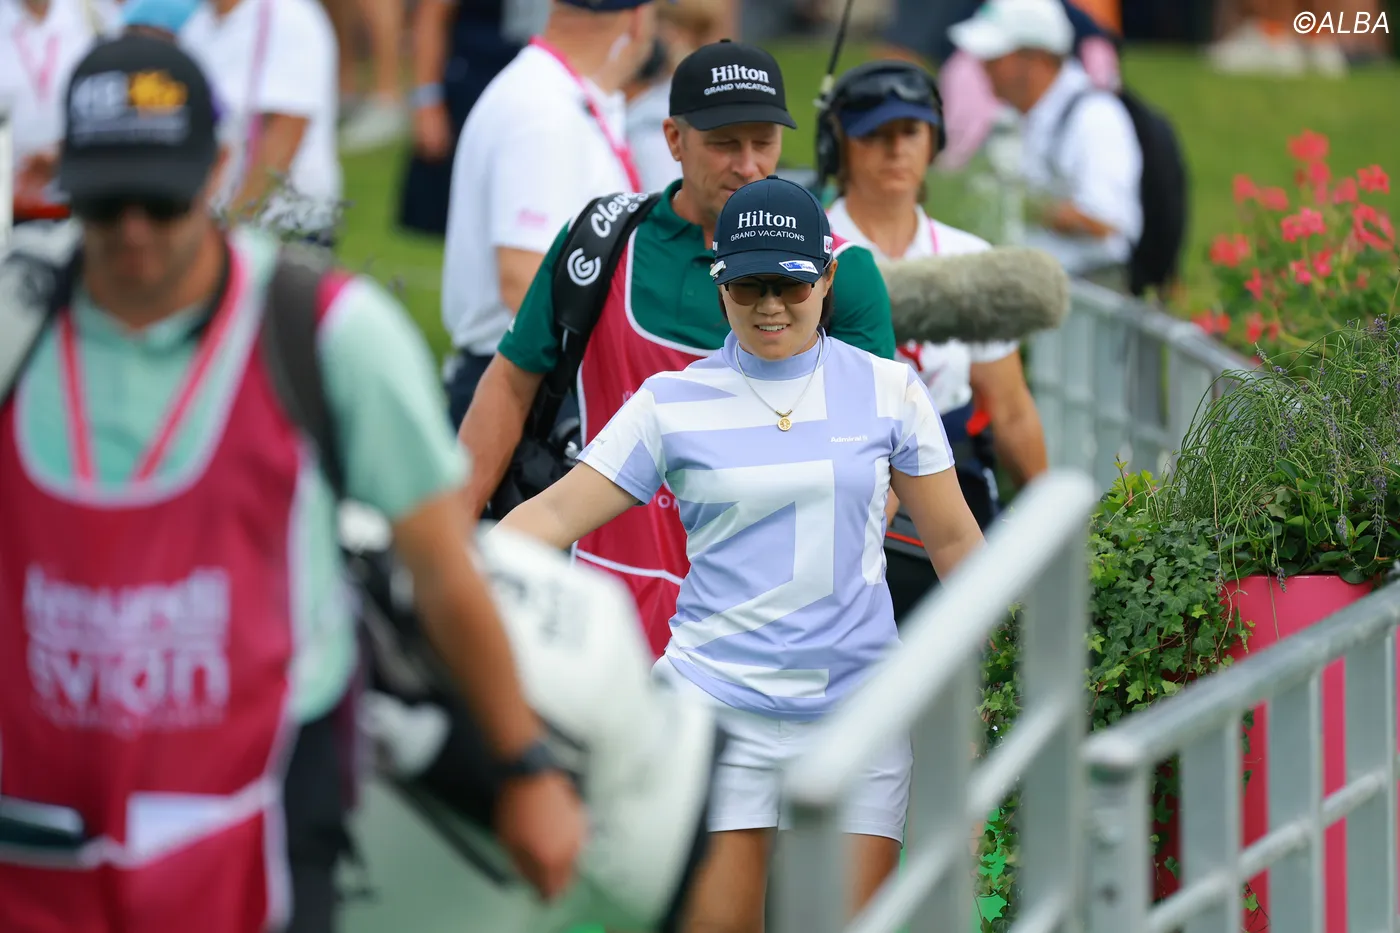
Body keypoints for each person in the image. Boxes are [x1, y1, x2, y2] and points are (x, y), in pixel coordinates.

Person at [0, 34, 583, 932]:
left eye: (162, 200)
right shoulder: (19, 320)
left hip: (258, 803)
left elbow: (440, 567)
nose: (134, 232)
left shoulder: (328, 334)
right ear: (56, 178)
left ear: (220, 171)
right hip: (46, 814)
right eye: (107, 202)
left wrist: (523, 763)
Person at [494, 175, 986, 933]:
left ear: (827, 278)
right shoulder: (669, 402)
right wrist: (448, 576)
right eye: (748, 285)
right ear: (719, 282)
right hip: (713, 714)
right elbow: (555, 513)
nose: (769, 305)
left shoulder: (893, 391)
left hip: (859, 716)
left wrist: (1002, 677)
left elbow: (955, 543)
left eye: (791, 284)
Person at [457, 39, 897, 660]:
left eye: (764, 142)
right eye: (724, 143)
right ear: (673, 139)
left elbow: (881, 456)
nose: (749, 165)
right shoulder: (603, 242)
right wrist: (453, 542)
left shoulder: (839, 271)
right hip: (598, 611)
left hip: (757, 628)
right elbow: (509, 383)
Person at [821, 60, 1048, 532]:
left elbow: (1010, 408)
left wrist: (1061, 535)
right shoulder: (810, 251)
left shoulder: (968, 257)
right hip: (837, 478)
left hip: (954, 478)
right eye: (875, 133)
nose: (895, 149)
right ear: (837, 144)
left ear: (934, 141)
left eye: (911, 132)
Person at [440, 0, 660, 426]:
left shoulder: (555, 94)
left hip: (535, 377)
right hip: (534, 387)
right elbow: (523, 279)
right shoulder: (542, 112)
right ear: (635, 20)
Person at [948, 0, 1142, 292]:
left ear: (1036, 59)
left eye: (995, 57)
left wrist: (1025, 206)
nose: (983, 67)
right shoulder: (1013, 117)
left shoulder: (1094, 117)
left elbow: (1106, 224)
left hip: (1087, 291)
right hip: (1037, 286)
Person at [180, 0, 344, 245]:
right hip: (217, 223)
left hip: (284, 227)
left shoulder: (289, 16)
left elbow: (284, 135)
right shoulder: (197, 24)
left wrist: (232, 225)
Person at [396, 0, 549, 238]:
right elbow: (431, 16)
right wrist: (427, 102)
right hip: (472, 83)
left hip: (540, 88)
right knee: (461, 215)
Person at [2, 0, 119, 224]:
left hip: (78, 196)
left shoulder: (91, 15)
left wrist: (62, 153)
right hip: (8, 202)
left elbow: (112, 98)